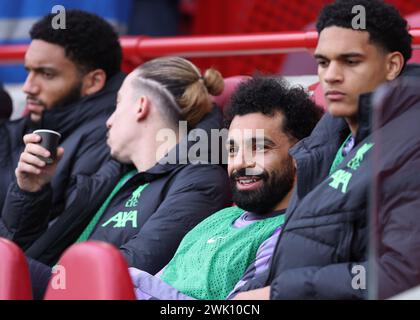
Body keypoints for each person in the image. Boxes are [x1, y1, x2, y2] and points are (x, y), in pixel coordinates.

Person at [233, 0, 420, 300]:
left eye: (351, 61)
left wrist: (277, 293)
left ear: (392, 66)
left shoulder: (411, 140)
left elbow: (399, 272)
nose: (331, 75)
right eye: (323, 62)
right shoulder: (328, 137)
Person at [1, 56, 231, 293]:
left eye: (118, 104)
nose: (108, 122)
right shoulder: (115, 174)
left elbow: (118, 277)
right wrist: (30, 191)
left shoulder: (200, 182)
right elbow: (29, 250)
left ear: (141, 106)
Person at [124, 76, 323, 300]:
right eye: (232, 149)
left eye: (259, 148)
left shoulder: (287, 234)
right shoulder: (218, 219)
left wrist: (131, 280)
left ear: (300, 154)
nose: (240, 163)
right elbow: (163, 282)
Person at [0, 10, 124, 213]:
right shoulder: (37, 120)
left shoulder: (109, 138)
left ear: (93, 81)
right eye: (28, 71)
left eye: (46, 74)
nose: (28, 87)